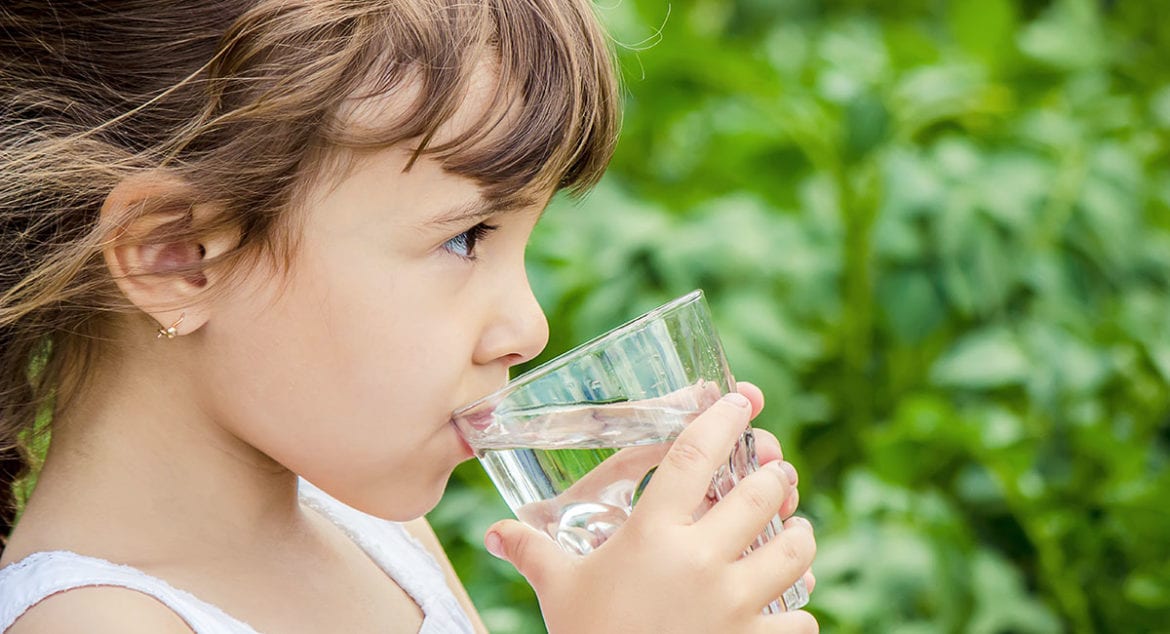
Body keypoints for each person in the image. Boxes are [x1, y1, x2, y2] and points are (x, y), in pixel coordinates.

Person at [0, 1, 818, 632]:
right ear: (177, 255)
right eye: (467, 237)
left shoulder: (373, 539)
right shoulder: (91, 622)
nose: (529, 329)